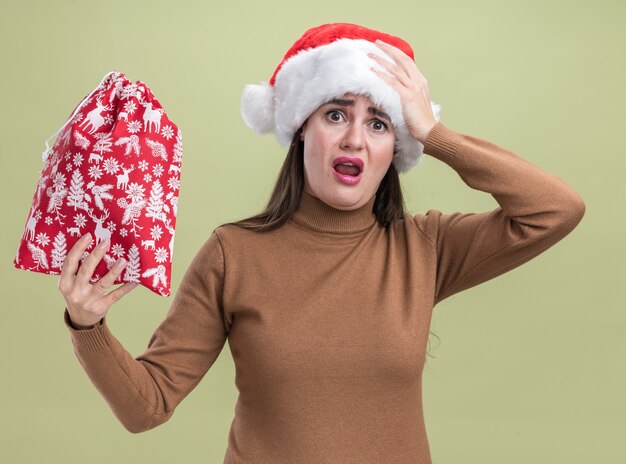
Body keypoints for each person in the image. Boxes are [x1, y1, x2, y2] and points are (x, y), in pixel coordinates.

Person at [58, 23, 585, 464]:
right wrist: (88, 327)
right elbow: (145, 406)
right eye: (335, 114)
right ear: (301, 129)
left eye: (379, 124)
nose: (355, 138)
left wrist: (434, 132)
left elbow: (556, 209)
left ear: (394, 150)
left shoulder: (424, 247)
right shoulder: (233, 254)